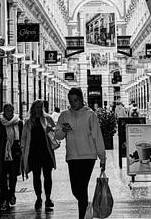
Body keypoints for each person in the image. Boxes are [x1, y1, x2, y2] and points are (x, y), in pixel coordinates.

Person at [55, 87, 106, 219]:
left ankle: (82, 216)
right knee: (75, 189)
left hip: (88, 157)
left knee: (82, 187)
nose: (73, 104)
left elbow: (97, 136)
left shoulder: (90, 115)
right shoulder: (64, 115)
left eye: (76, 100)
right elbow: (58, 136)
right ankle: (86, 205)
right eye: (71, 101)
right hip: (72, 157)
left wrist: (102, 157)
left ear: (81, 99)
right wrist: (64, 130)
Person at [21, 100, 56, 210]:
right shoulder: (28, 122)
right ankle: (38, 198)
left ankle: (48, 198)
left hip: (46, 152)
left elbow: (55, 132)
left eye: (41, 107)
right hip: (33, 153)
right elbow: (24, 137)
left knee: (48, 176)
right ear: (33, 108)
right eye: (37, 107)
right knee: (36, 176)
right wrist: (23, 151)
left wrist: (51, 129)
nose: (39, 109)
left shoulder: (48, 118)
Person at [0, 103, 23, 212]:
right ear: (4, 111)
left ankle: (11, 194)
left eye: (12, 111)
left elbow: (22, 137)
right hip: (2, 154)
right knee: (3, 180)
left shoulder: (19, 122)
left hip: (15, 153)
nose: (10, 113)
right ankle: (3, 202)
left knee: (13, 178)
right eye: (8, 111)